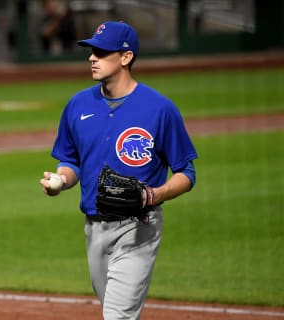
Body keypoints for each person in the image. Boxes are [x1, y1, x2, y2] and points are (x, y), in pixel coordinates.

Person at [40, 21, 198, 319]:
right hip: (93, 228)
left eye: (101, 52)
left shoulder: (159, 109)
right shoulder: (78, 104)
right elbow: (71, 160)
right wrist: (61, 179)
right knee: (115, 311)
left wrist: (155, 195)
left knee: (117, 316)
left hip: (138, 226)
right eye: (91, 51)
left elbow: (186, 173)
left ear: (126, 57)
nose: (91, 58)